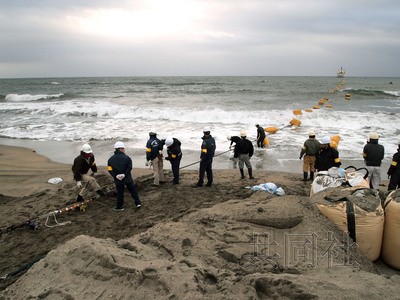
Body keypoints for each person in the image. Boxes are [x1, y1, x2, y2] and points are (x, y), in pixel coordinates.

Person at [107, 141, 141, 211]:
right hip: (127, 178)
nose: (124, 150)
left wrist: (116, 176)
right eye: (123, 148)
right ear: (120, 149)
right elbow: (130, 167)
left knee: (120, 193)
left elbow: (110, 170)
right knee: (133, 191)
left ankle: (119, 206)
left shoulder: (110, 160)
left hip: (118, 179)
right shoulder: (127, 158)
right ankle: (137, 203)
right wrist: (124, 174)